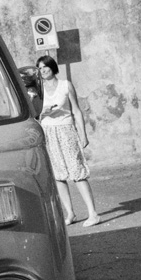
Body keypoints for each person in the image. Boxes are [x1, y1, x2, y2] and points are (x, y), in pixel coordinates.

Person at [36, 56, 101, 227]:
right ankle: (70, 213)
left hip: (66, 130)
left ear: (52, 67)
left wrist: (83, 134)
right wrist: (43, 112)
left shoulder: (65, 85)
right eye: (40, 68)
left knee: (77, 171)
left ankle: (93, 213)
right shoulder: (38, 90)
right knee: (58, 175)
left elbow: (77, 111)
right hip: (48, 132)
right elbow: (34, 113)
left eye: (45, 66)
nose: (43, 70)